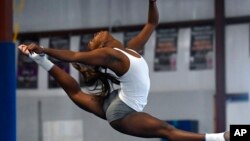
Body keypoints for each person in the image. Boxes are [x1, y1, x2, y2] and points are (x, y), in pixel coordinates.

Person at [18, 0, 230, 141]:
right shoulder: (112, 55)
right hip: (122, 112)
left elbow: (152, 22)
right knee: (166, 130)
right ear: (104, 47)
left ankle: (41, 61)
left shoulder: (130, 50)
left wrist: (152, 2)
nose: (95, 35)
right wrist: (44, 47)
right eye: (95, 39)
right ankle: (222, 138)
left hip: (116, 100)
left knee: (75, 93)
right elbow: (74, 56)